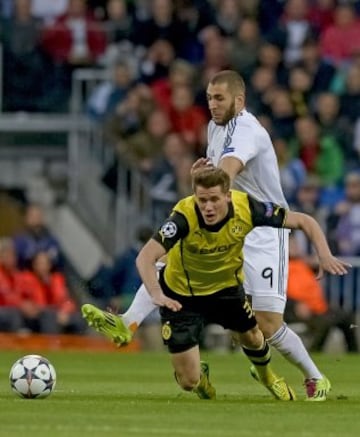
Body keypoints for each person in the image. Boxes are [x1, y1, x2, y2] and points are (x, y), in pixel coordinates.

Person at [82, 70, 335, 401]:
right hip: (221, 218)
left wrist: (204, 182)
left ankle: (315, 377)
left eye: (220, 98)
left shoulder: (246, 130)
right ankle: (127, 322)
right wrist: (201, 185)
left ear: (239, 100)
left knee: (268, 324)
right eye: (209, 98)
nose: (213, 105)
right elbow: (217, 181)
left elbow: (227, 172)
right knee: (173, 259)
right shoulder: (215, 127)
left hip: (261, 230)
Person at [83, 167, 349, 400]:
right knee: (188, 382)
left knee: (254, 338)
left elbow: (304, 221)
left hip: (226, 291)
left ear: (228, 195)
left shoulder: (247, 208)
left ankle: (268, 377)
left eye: (213, 200)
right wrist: (156, 294)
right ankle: (199, 378)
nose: (208, 207)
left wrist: (324, 254)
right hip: (181, 296)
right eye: (202, 200)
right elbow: (145, 257)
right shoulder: (183, 216)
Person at [285, 234, 358, 353]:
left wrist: (319, 260)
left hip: (319, 307)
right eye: (292, 244)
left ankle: (354, 353)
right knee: (324, 322)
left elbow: (320, 268)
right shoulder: (280, 266)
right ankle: (314, 352)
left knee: (347, 316)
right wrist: (293, 304)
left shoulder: (302, 263)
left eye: (295, 244)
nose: (295, 247)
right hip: (297, 310)